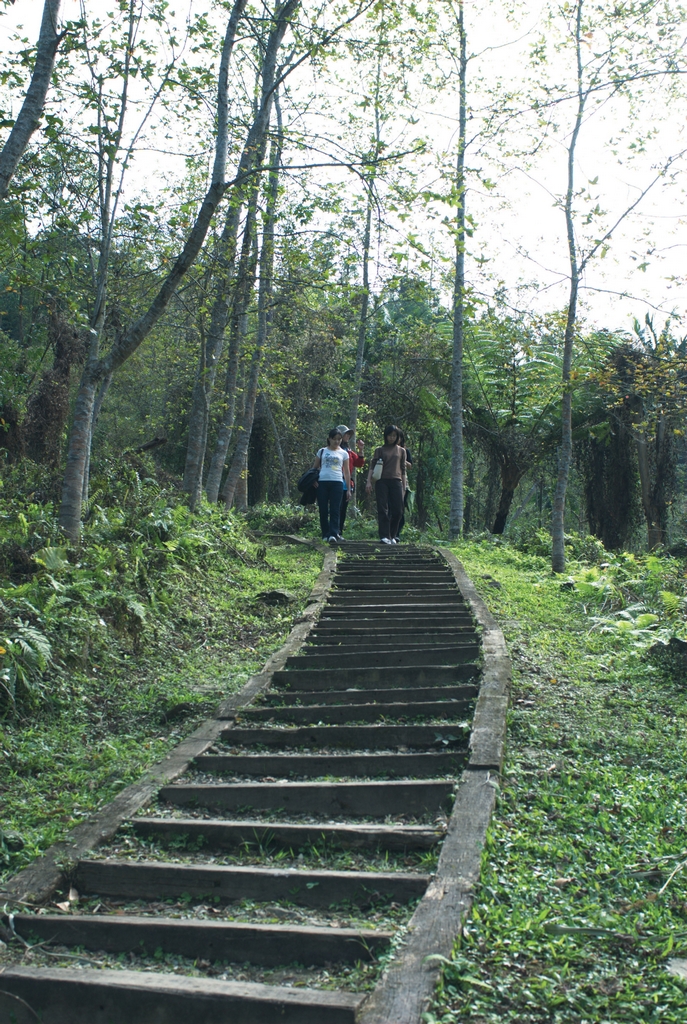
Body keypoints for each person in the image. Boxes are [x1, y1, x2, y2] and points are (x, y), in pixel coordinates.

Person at [365, 425, 406, 544]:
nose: (392, 438)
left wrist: (404, 486)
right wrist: (368, 481)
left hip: (396, 481)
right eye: (390, 435)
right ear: (386, 436)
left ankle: (392, 535)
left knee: (398, 510)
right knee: (383, 508)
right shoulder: (380, 450)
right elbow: (372, 466)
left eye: (394, 436)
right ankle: (384, 535)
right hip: (382, 481)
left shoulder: (401, 451)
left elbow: (403, 469)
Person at [313, 428, 351, 542]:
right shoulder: (322, 451)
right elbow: (315, 468)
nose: (337, 441)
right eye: (334, 439)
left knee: (335, 509)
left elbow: (347, 472)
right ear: (329, 439)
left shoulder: (344, 453)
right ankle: (325, 533)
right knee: (323, 509)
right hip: (323, 482)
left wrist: (348, 489)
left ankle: (334, 533)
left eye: (339, 439)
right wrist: (313, 480)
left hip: (337, 482)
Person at [335, 424, 365, 539]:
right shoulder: (334, 450)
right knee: (335, 507)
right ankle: (333, 531)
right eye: (345, 434)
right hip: (334, 481)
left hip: (346, 483)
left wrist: (361, 450)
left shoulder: (349, 451)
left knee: (343, 508)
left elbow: (359, 463)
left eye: (348, 434)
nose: (347, 436)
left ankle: (339, 532)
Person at [396, 428, 413, 541]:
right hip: (389, 481)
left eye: (398, 437)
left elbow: (410, 466)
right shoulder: (385, 450)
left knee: (400, 509)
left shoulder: (405, 451)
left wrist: (401, 458)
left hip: (403, 482)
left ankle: (397, 533)